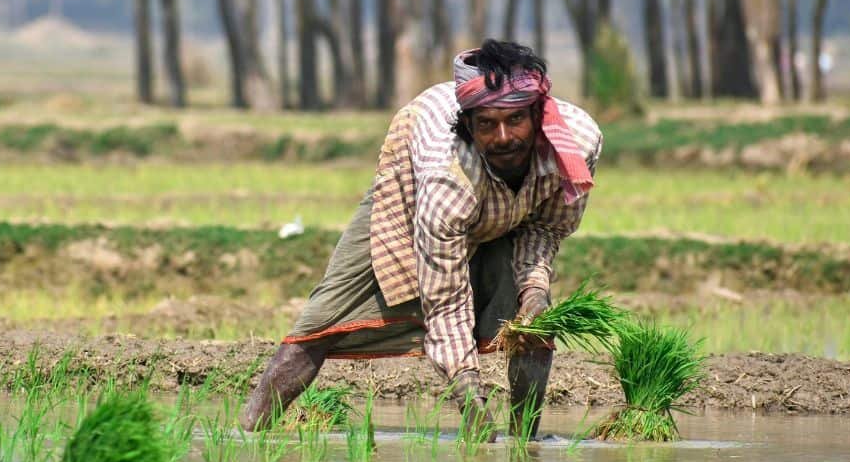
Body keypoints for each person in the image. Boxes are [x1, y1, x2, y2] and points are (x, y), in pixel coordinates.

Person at [239, 40, 603, 441]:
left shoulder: (576, 145)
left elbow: (545, 228)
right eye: (486, 125)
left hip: (506, 211)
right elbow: (445, 299)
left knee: (535, 321)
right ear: (467, 125)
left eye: (516, 120)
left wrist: (534, 290)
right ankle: (250, 432)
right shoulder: (447, 175)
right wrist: (467, 392)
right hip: (412, 192)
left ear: (538, 114)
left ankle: (526, 441)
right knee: (323, 319)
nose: (503, 137)